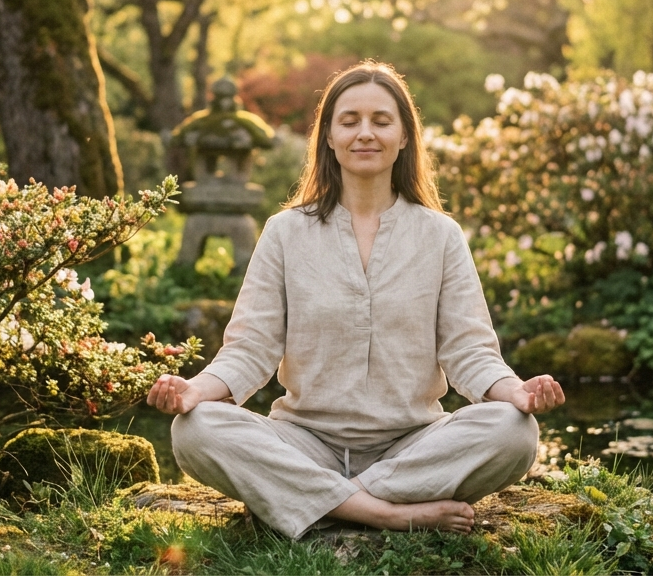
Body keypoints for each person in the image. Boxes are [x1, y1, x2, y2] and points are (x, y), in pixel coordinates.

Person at [146, 61, 565, 540]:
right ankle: (385, 511)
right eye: (349, 121)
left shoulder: (441, 236)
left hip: (413, 443)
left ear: (404, 136)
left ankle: (317, 500)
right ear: (328, 136)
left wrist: (516, 392)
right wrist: (195, 390)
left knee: (515, 432)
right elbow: (251, 348)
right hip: (303, 441)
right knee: (194, 430)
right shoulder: (285, 233)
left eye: (381, 121)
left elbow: (469, 350)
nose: (365, 133)